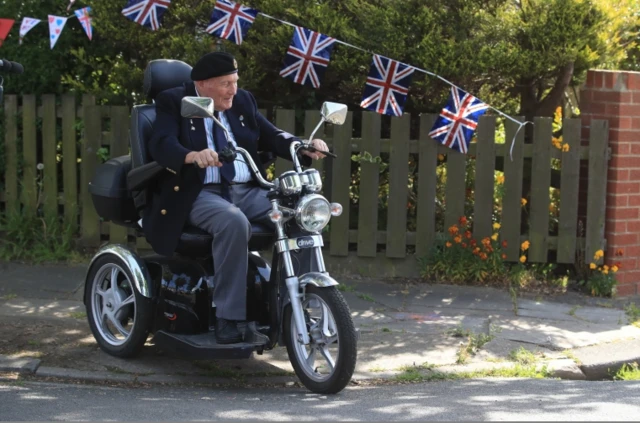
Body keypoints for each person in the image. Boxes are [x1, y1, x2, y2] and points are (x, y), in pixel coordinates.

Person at [143, 51, 328, 344]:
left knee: (301, 214)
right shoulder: (174, 101)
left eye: (235, 81)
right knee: (233, 222)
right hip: (200, 192)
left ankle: (295, 303)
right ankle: (228, 318)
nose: (233, 90)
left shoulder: (242, 101)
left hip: (249, 189)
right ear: (202, 84)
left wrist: (301, 145)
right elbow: (162, 143)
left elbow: (272, 135)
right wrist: (191, 155)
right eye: (225, 83)